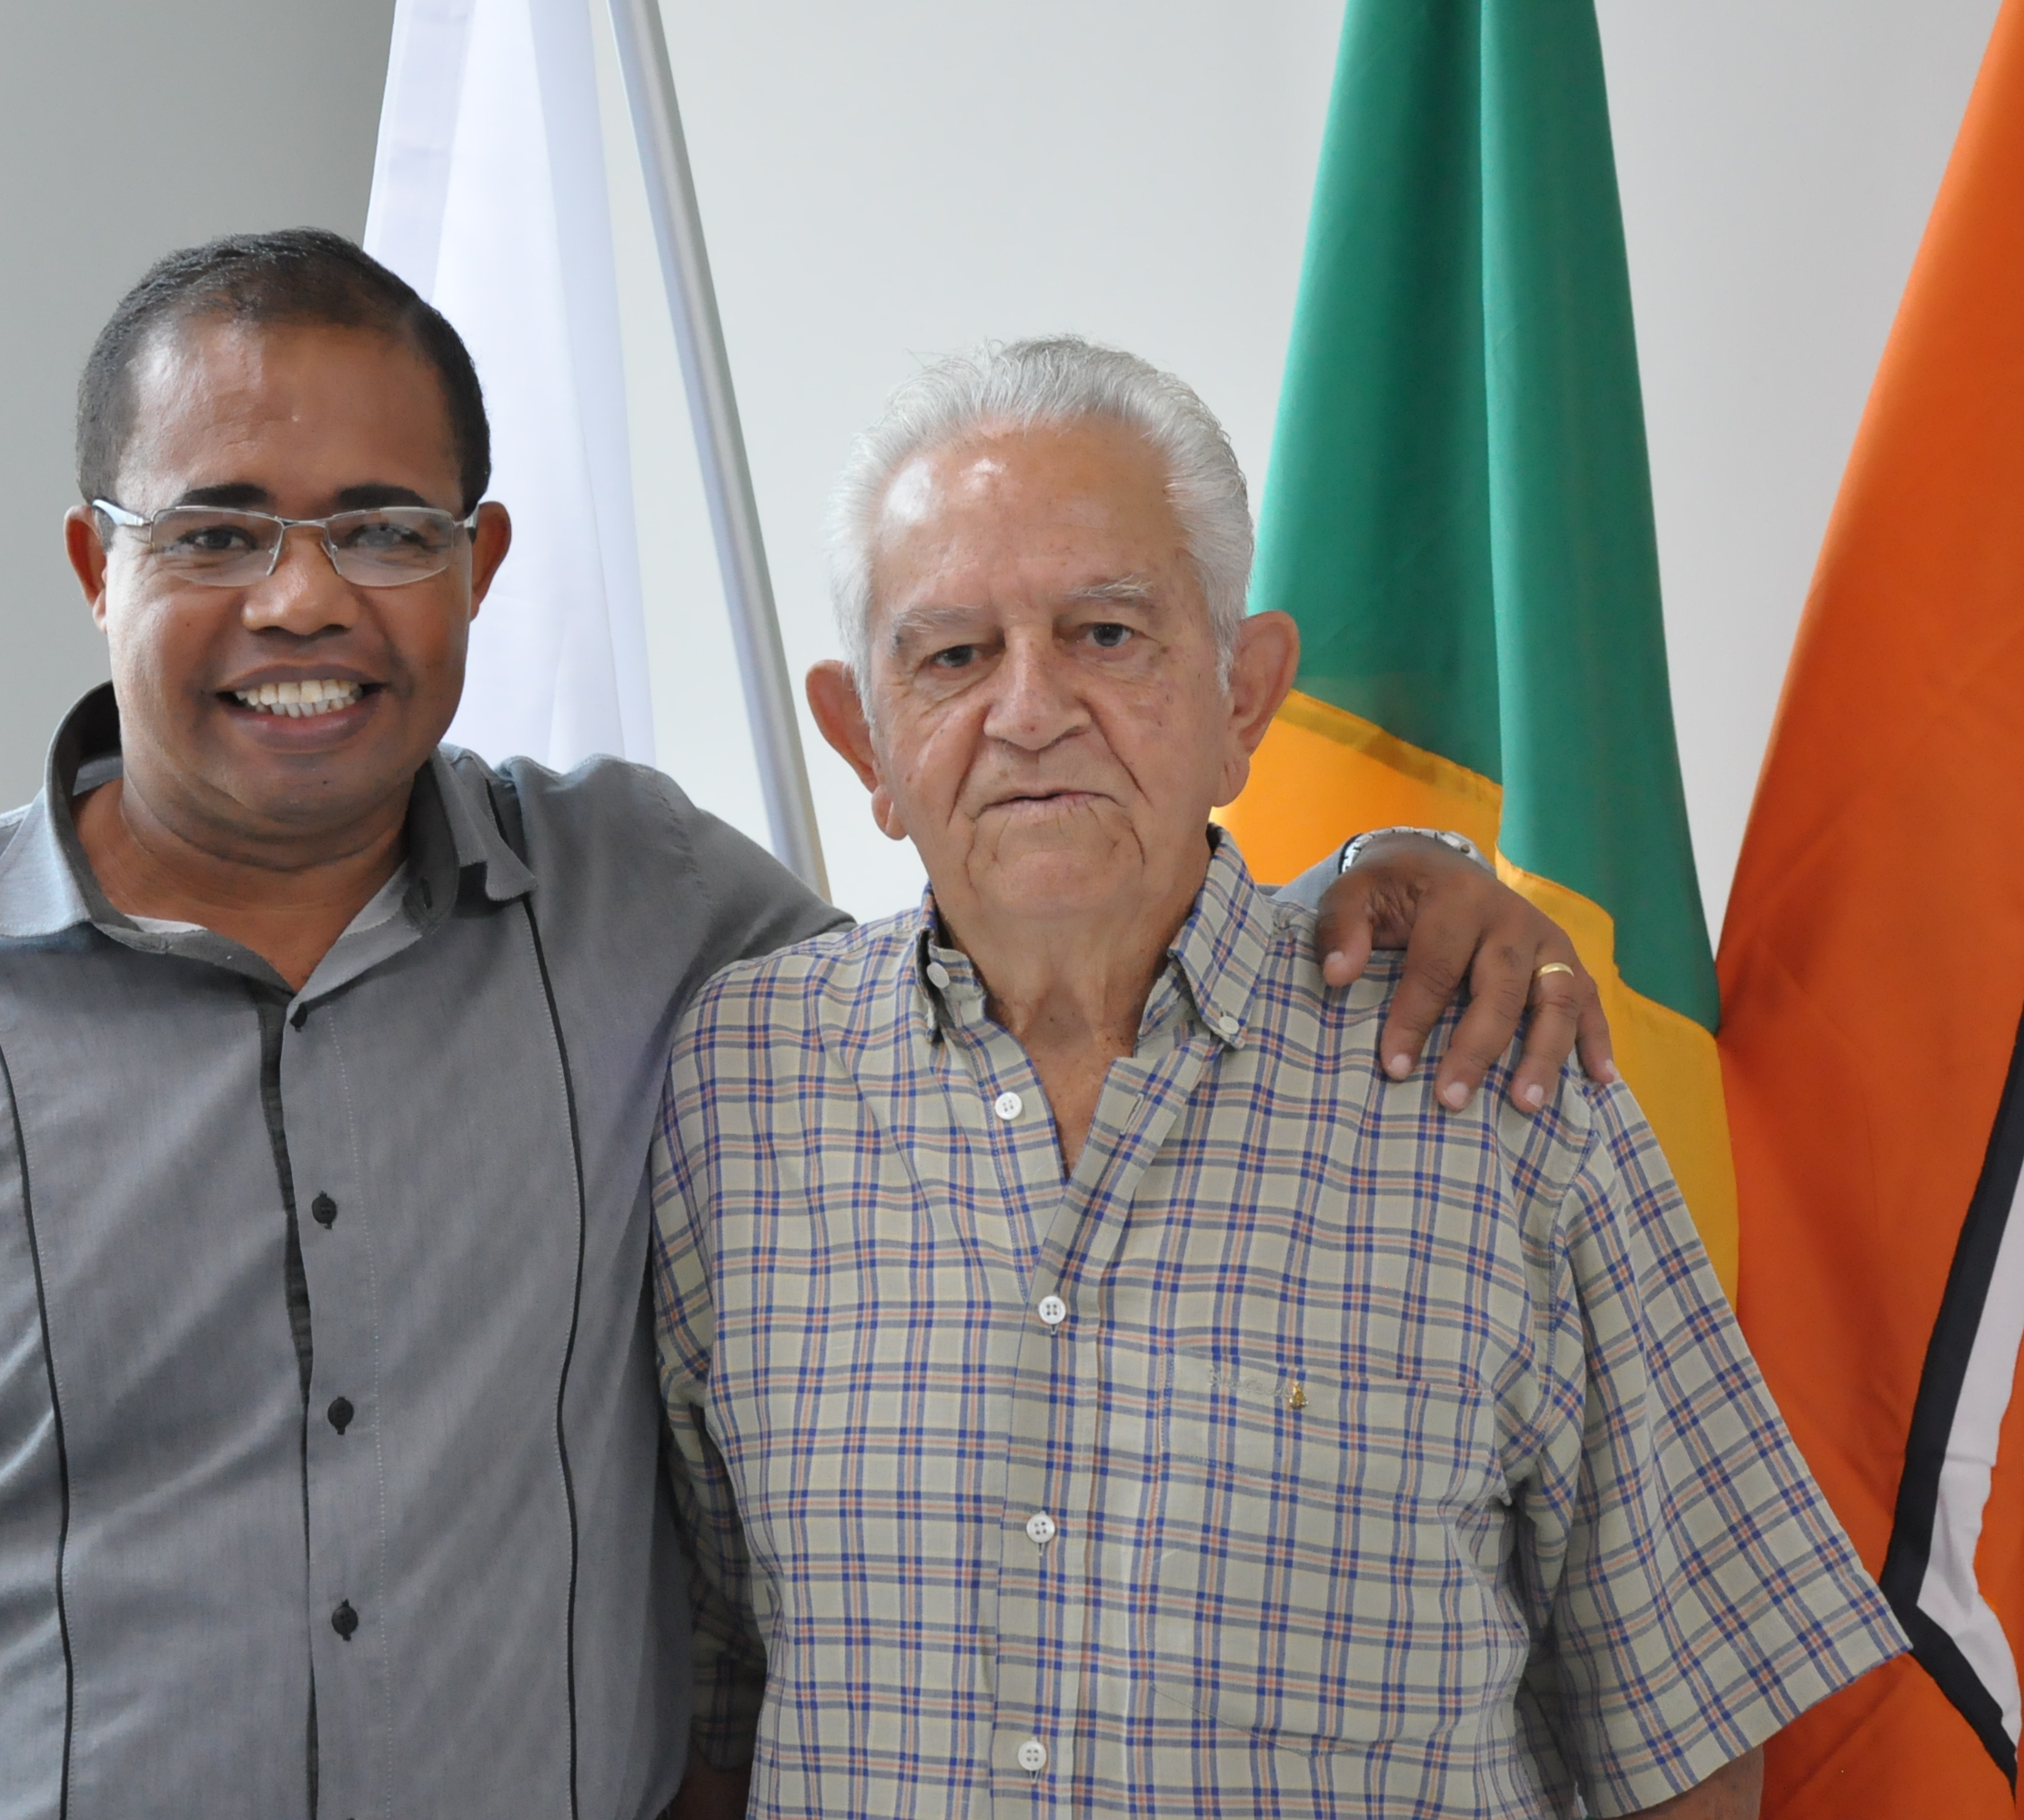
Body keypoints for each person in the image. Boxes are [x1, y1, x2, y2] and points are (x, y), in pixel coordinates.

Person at [0, 236, 1611, 1820]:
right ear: (99, 560)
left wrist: (1402, 870)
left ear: (479, 568)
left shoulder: (651, 916)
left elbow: (1024, 934)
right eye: (218, 530)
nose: (303, 600)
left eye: (384, 528)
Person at [651, 337, 1908, 1819]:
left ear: (1245, 696)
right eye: (953, 657)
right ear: (864, 737)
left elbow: (1686, 1734)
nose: (1030, 709)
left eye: (1106, 633)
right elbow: (716, 1692)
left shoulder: (1499, 1081)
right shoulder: (737, 1087)